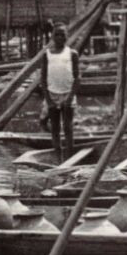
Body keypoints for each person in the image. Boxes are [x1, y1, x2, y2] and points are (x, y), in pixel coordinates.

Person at [38, 24, 80, 162]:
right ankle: (58, 158)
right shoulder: (47, 54)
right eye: (57, 34)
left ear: (67, 36)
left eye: (63, 34)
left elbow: (77, 78)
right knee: (55, 128)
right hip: (52, 94)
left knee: (68, 127)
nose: (60, 37)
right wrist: (49, 100)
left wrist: (70, 97)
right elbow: (43, 79)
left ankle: (70, 158)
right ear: (52, 36)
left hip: (68, 93)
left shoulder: (72, 54)